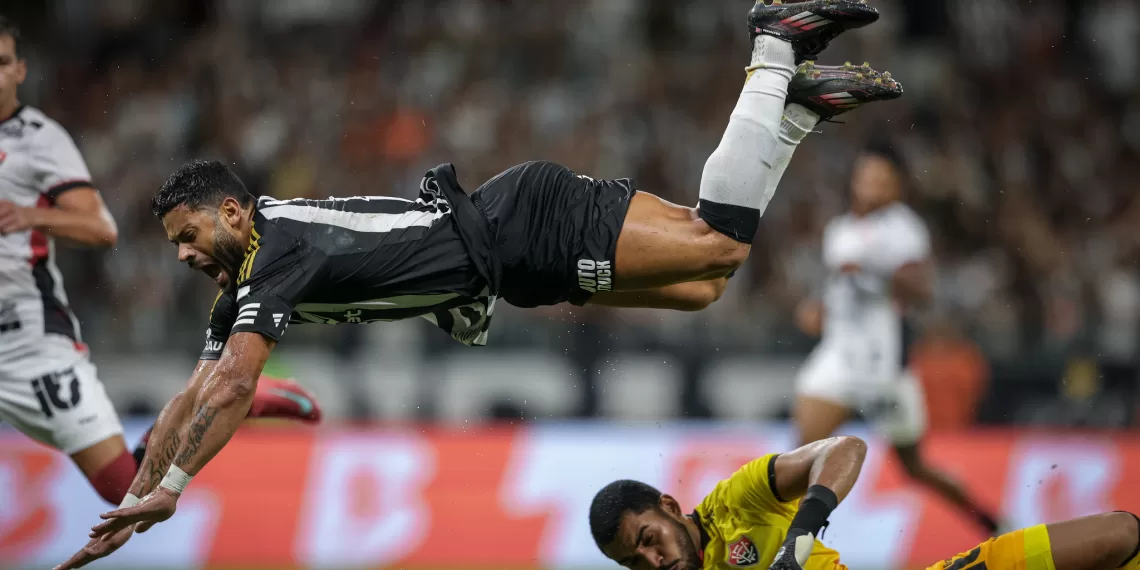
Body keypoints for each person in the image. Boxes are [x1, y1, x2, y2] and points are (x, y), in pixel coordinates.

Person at [56, 1, 901, 567]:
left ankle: (773, 44)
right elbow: (192, 394)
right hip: (509, 269)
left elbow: (237, 385)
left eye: (188, 235)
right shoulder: (244, 276)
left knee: (715, 245)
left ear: (234, 213)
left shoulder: (276, 251)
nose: (180, 254)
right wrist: (132, 499)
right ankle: (791, 110)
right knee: (705, 285)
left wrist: (171, 491)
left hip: (519, 225)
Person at [0, 14, 321, 507]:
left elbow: (100, 227)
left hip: (24, 344)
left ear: (21, 69)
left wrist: (26, 213)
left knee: (125, 486)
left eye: (2, 63)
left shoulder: (38, 139)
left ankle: (239, 393)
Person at [791, 142, 1002, 534]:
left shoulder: (903, 229)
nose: (871, 186)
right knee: (799, 456)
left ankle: (988, 520)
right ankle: (797, 545)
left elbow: (922, 291)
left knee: (914, 468)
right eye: (866, 177)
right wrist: (818, 306)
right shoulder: (840, 229)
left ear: (896, 186)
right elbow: (842, 284)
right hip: (838, 357)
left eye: (881, 179)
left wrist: (875, 270)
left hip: (883, 369)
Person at [588, 436, 1140, 570]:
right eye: (635, 564)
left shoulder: (737, 502)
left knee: (1120, 534)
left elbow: (845, 448)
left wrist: (802, 535)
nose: (654, 563)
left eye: (648, 541)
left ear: (667, 505)